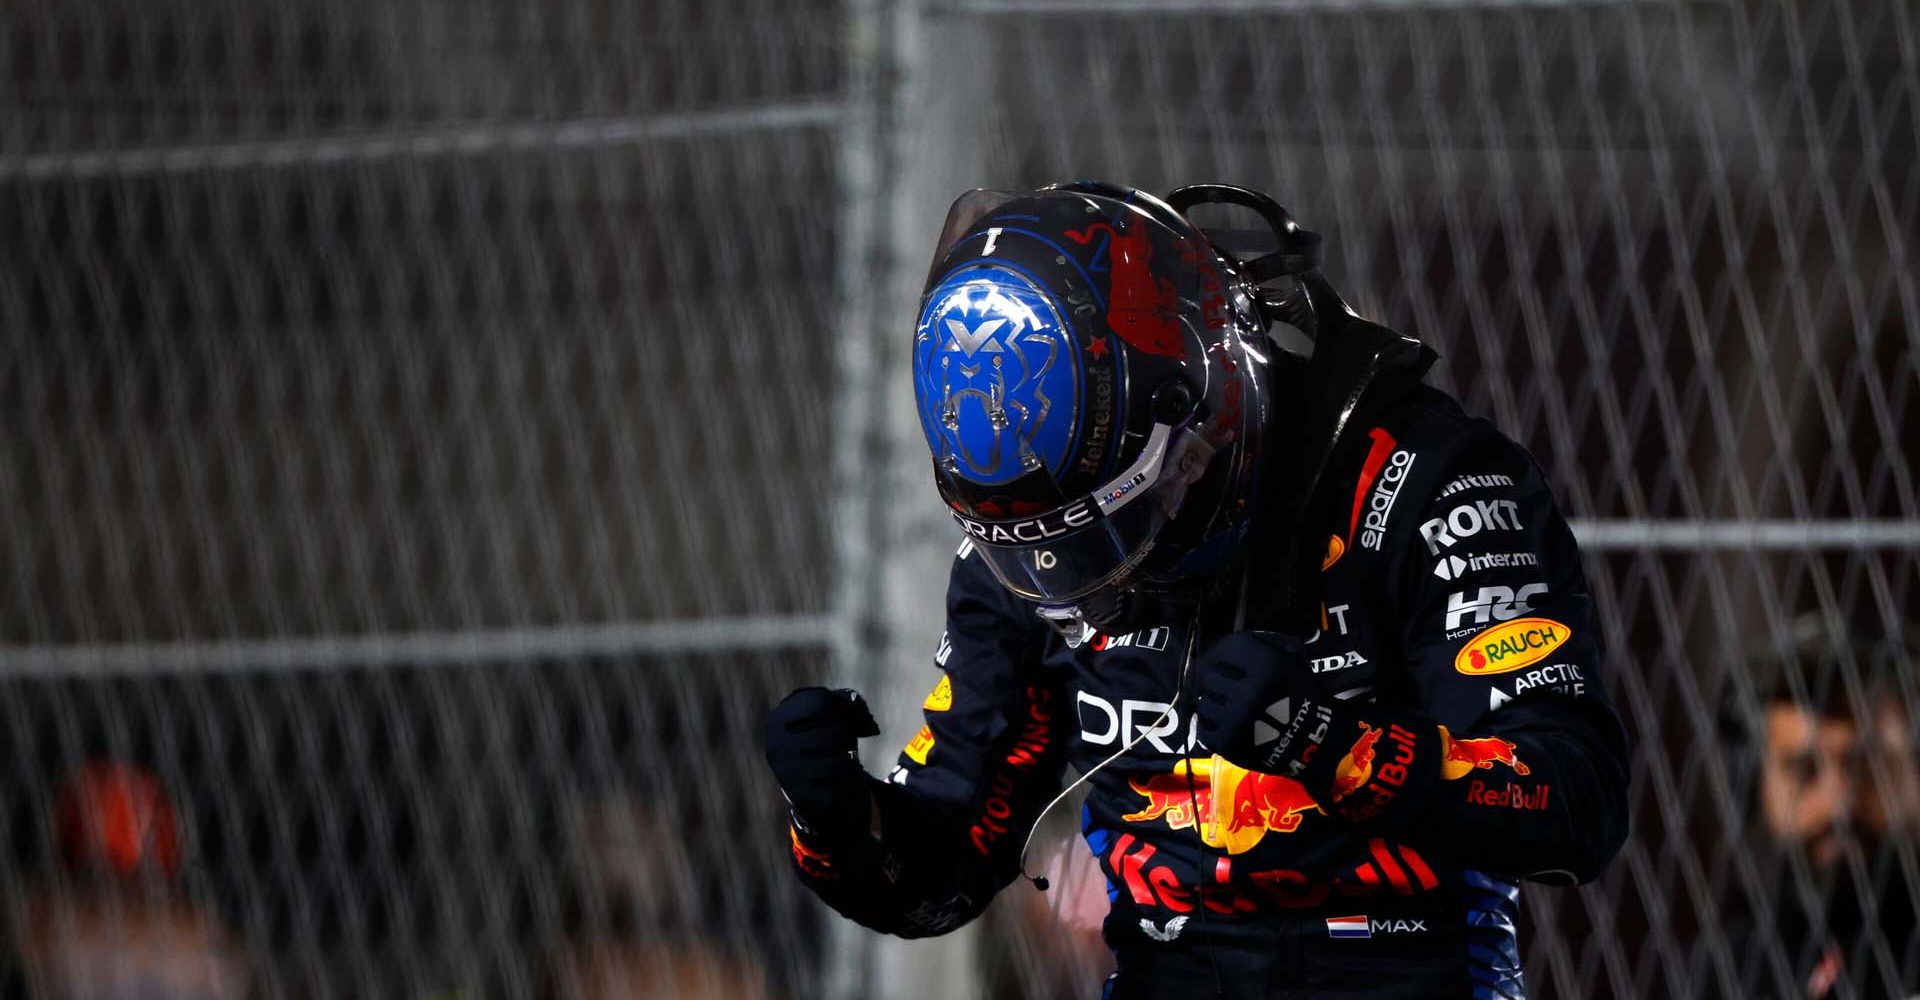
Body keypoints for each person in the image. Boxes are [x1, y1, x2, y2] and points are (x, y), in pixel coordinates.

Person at [763, 182, 1630, 999]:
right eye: (1048, 545)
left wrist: (1332, 745)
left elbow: (1574, 802)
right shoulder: (1027, 547)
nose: (1077, 578)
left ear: (1201, 422)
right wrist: (839, 823)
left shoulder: (1424, 483)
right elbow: (945, 872)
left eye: (1107, 524)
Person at [1711, 631, 1919, 999]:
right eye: (1804, 770)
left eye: (1871, 766)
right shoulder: (1718, 976)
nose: (1838, 804)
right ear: (1756, 791)